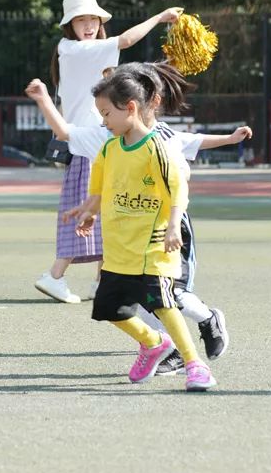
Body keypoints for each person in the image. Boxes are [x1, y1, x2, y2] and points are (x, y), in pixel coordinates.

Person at [27, 62, 251, 372]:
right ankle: (163, 345)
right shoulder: (106, 137)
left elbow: (194, 143)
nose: (105, 116)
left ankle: (205, 322)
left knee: (168, 293)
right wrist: (43, 100)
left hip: (166, 229)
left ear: (144, 102)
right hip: (126, 236)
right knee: (134, 298)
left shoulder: (162, 138)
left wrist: (229, 139)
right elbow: (65, 133)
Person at [63, 68, 217, 391]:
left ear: (130, 108)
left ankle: (194, 364)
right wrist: (89, 211)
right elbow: (100, 188)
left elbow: (177, 191)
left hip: (152, 249)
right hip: (119, 252)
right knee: (108, 309)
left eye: (107, 114)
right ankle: (153, 342)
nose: (104, 121)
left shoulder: (156, 150)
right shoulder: (109, 149)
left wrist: (174, 225)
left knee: (163, 304)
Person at [35, 0, 183, 304]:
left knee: (107, 214)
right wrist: (161, 16)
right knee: (88, 212)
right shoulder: (77, 49)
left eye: (93, 18)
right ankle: (54, 275)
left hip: (96, 141)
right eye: (81, 20)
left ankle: (102, 280)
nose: (88, 24)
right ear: (69, 25)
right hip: (91, 143)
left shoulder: (79, 51)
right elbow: (127, 41)